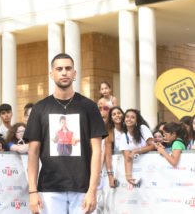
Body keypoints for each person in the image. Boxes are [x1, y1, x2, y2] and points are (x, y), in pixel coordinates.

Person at [25, 53, 107, 214]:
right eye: (59, 69)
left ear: (74, 73)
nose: (64, 72)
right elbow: (33, 153)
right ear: (51, 74)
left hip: (83, 188)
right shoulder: (39, 109)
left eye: (68, 68)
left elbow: (97, 151)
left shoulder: (89, 107)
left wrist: (92, 190)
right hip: (49, 188)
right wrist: (33, 192)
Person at [119, 109, 156, 185]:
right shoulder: (123, 136)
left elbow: (153, 146)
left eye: (132, 117)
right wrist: (128, 176)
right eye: (127, 117)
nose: (129, 119)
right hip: (138, 170)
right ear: (124, 119)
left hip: (151, 167)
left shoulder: (142, 128)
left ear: (136, 121)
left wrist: (135, 151)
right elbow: (128, 158)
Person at [104, 106, 124, 188]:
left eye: (119, 113)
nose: (117, 115)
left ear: (123, 115)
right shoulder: (110, 133)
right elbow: (108, 156)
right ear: (111, 118)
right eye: (114, 114)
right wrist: (110, 175)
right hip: (117, 168)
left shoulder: (129, 130)